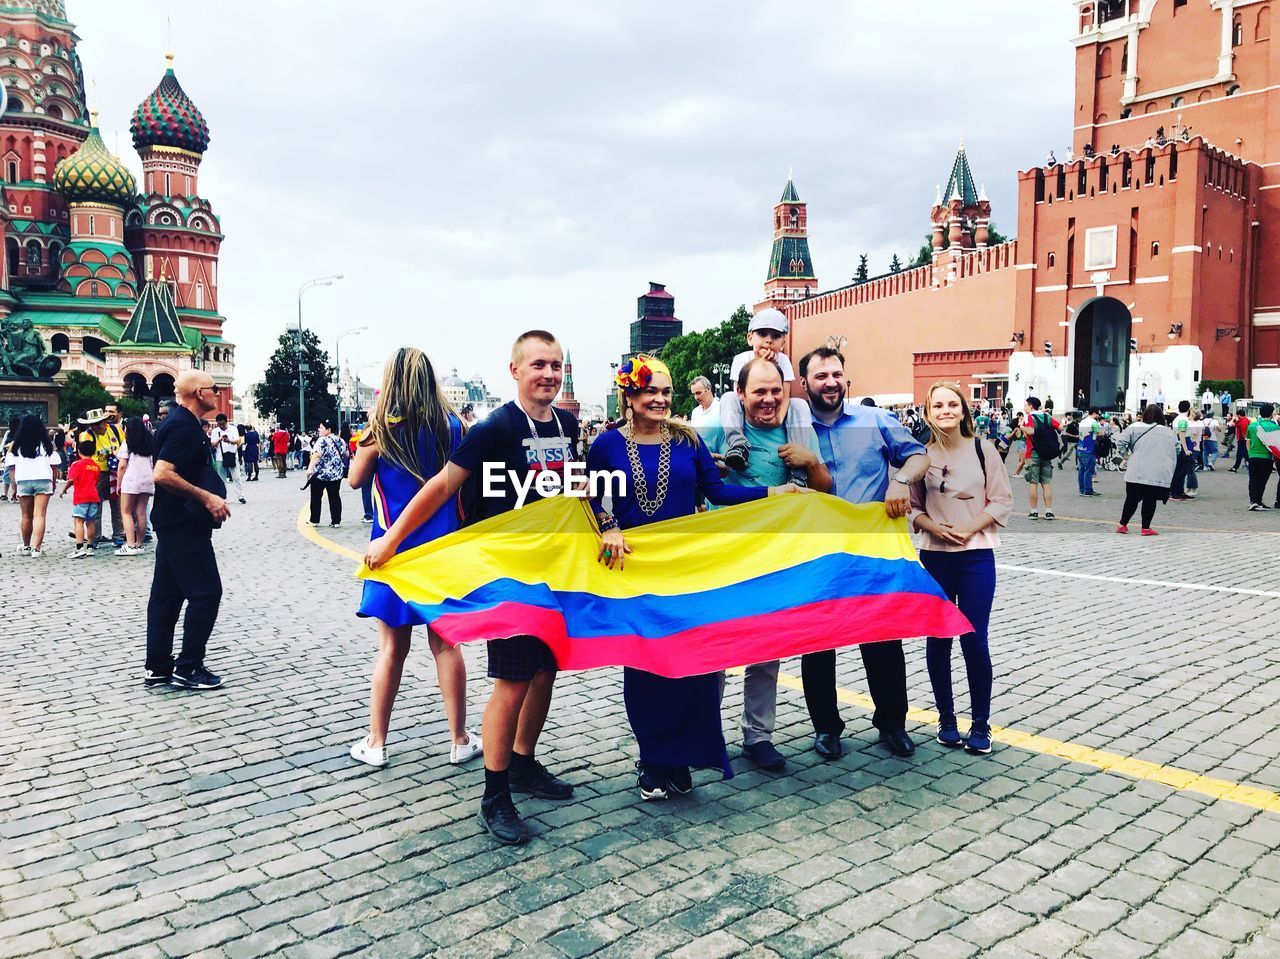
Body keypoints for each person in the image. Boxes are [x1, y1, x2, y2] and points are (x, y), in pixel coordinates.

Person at [364, 330, 579, 846]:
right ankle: (495, 795)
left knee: (545, 669)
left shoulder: (568, 424)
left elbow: (576, 487)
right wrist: (392, 539)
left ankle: (524, 763)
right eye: (538, 365)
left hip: (555, 568)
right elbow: (440, 485)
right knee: (512, 679)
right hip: (508, 573)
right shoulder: (493, 428)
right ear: (515, 371)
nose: (549, 374)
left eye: (555, 365)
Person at [589, 356, 803, 799]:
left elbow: (718, 491)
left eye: (666, 392)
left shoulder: (687, 440)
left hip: (687, 572)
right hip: (637, 573)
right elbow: (592, 498)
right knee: (647, 670)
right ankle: (653, 759)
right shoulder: (606, 446)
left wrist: (772, 492)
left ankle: (681, 755)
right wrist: (608, 525)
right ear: (630, 396)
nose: (661, 400)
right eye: (651, 391)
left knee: (693, 669)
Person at [348, 347, 480, 769]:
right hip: (442, 549)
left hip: (391, 549)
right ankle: (459, 738)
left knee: (391, 649)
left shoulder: (380, 431)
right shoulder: (454, 426)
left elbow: (354, 481)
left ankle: (377, 742)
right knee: (446, 644)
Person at [795, 348, 929, 760]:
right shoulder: (794, 429)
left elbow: (918, 456)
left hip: (871, 550)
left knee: (883, 640)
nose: (830, 382)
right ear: (805, 384)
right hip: (816, 550)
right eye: (820, 376)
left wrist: (900, 480)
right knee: (818, 643)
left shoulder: (876, 421)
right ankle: (826, 728)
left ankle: (892, 723)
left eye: (836, 373)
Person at [704, 357, 832, 772]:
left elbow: (825, 490)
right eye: (758, 391)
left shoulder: (795, 431)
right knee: (717, 652)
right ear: (739, 395)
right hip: (726, 557)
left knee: (766, 651)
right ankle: (706, 735)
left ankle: (758, 736)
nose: (768, 399)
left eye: (775, 390)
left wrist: (809, 462)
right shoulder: (717, 431)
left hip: (776, 558)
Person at [909, 382, 1012, 755]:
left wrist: (968, 529)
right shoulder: (920, 456)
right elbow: (913, 505)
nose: (946, 410)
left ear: (964, 410)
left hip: (976, 556)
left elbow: (1002, 500)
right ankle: (946, 719)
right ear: (928, 411)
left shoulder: (984, 450)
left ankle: (981, 723)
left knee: (974, 638)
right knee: (938, 638)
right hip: (935, 556)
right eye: (938, 405)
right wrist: (933, 526)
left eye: (953, 404)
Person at [145, 370, 231, 690]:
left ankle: (158, 667)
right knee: (207, 593)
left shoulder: (182, 423)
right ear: (198, 393)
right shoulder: (183, 426)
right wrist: (207, 496)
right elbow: (162, 474)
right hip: (182, 522)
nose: (217, 392)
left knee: (166, 596)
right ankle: (189, 666)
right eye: (212, 388)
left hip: (172, 520)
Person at [719, 308, 813, 478]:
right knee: (728, 398)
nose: (769, 341)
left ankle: (798, 468)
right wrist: (760, 365)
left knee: (799, 404)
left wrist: (778, 418)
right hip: (747, 410)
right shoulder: (741, 359)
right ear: (750, 338)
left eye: (775, 336)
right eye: (762, 334)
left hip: (775, 413)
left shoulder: (783, 360)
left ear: (783, 343)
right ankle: (738, 445)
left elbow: (785, 394)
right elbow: (740, 394)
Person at [1115, 404, 1178, 535]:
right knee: (1150, 499)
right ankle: (1145, 528)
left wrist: (1126, 456)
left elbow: (1120, 441)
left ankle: (1122, 524)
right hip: (1156, 471)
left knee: (1131, 499)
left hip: (1136, 469)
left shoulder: (1134, 427)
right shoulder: (1168, 432)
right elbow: (1177, 449)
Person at [6, 414, 60, 557]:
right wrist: (53, 483)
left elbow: (12, 469)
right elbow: (54, 467)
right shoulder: (46, 444)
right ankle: (37, 549)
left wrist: (14, 487)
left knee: (26, 516)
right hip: (43, 479)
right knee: (39, 515)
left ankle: (26, 546)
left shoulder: (15, 446)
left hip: (23, 480)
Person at [77, 406, 125, 546]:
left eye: (104, 422)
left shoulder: (115, 430)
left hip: (115, 473)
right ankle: (95, 537)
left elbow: (124, 446)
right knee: (95, 506)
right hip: (96, 474)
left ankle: (119, 536)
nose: (103, 425)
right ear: (92, 425)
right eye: (99, 423)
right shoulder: (87, 436)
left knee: (117, 505)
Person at [115, 417, 155, 556]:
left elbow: (122, 466)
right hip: (147, 480)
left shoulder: (127, 443)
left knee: (126, 512)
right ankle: (139, 544)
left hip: (131, 479)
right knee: (141, 512)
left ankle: (130, 544)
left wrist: (118, 483)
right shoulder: (150, 443)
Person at [60, 439, 101, 557]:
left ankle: (79, 547)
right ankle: (90, 547)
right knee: (91, 522)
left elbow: (71, 480)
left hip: (81, 497)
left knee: (78, 522)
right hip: (93, 496)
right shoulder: (96, 466)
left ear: (78, 451)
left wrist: (64, 489)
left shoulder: (76, 464)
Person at [1022, 397, 1060, 520]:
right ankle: (1049, 511)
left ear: (1031, 406)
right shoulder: (1046, 416)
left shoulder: (1029, 417)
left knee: (1033, 482)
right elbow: (1060, 427)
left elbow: (1031, 431)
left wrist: (1021, 427)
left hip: (1033, 453)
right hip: (1046, 452)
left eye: (1026, 405)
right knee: (1046, 482)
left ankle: (1034, 511)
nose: (1025, 408)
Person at [306, 420, 346, 527]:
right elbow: (346, 453)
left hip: (320, 474)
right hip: (336, 474)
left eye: (322, 428)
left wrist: (310, 469)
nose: (319, 430)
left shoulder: (322, 440)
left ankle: (314, 520)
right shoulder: (340, 440)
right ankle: (336, 521)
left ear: (328, 430)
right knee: (334, 496)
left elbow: (317, 455)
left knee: (316, 496)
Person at [1246, 403, 1280, 511]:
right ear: (1271, 414)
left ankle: (1254, 501)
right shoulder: (1274, 427)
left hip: (1253, 456)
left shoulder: (1252, 425)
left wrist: (1250, 453)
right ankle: (1258, 501)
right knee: (1262, 480)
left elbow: (1247, 441)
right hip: (1266, 457)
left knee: (1253, 479)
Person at [209, 413, 247, 505]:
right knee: (221, 479)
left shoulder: (233, 429)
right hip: (219, 457)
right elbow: (212, 445)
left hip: (232, 456)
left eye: (223, 424)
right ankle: (223, 497)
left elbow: (237, 441)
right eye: (219, 424)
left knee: (236, 477)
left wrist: (228, 440)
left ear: (226, 422)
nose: (221, 426)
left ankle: (241, 496)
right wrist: (219, 440)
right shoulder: (215, 431)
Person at [1170, 401, 1198, 501]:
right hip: (1184, 445)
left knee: (1181, 470)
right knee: (1181, 471)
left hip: (1180, 444)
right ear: (1189, 408)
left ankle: (1179, 491)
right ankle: (1175, 493)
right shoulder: (1183, 420)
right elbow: (1181, 434)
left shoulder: (1178, 419)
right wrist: (1186, 449)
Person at [1076, 408, 1101, 496]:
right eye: (1098, 414)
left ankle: (1082, 489)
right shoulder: (1093, 422)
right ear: (1094, 413)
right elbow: (1099, 433)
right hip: (1089, 448)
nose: (1099, 416)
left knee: (1081, 470)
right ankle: (1088, 490)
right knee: (1089, 470)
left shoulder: (1083, 421)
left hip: (1080, 447)